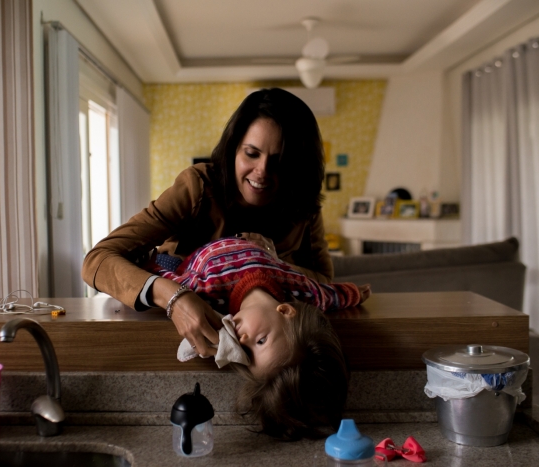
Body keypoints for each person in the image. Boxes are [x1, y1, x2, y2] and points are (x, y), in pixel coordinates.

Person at [82, 88, 333, 360]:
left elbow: (325, 283)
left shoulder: (304, 207)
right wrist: (172, 297)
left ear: (298, 167)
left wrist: (270, 264)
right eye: (251, 153)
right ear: (234, 148)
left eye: (279, 162)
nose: (262, 172)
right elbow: (97, 260)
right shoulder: (197, 186)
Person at [144, 236, 370, 439]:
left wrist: (149, 265)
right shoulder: (301, 290)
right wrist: (354, 293)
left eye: (248, 354)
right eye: (261, 341)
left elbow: (165, 283)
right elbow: (329, 295)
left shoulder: (207, 293)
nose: (242, 341)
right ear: (286, 311)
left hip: (194, 257)